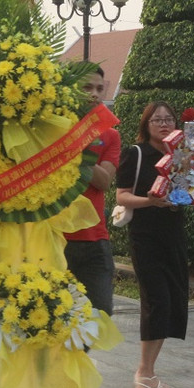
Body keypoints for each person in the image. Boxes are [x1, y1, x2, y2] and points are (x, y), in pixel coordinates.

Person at [116, 101, 188, 388]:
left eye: (169, 119)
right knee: (156, 301)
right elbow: (121, 196)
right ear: (146, 125)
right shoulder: (136, 153)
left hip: (174, 235)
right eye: (157, 119)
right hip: (145, 237)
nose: (164, 124)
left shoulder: (182, 155)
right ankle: (143, 372)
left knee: (172, 303)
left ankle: (150, 370)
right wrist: (150, 201)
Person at [62, 66, 120, 317]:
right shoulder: (51, 130)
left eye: (99, 88)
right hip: (55, 239)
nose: (94, 94)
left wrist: (78, 147)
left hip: (94, 238)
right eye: (87, 87)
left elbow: (104, 181)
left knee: (99, 314)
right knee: (56, 319)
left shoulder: (110, 135)